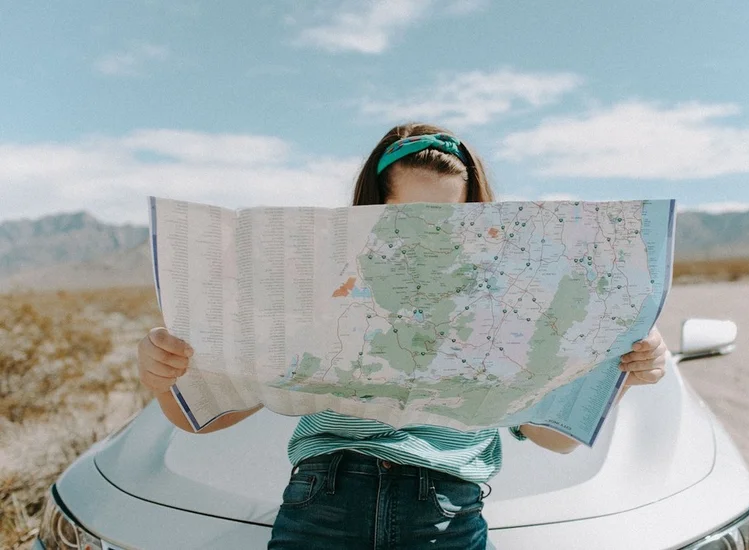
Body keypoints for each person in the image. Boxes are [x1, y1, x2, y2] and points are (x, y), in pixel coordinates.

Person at [137, 122, 669, 549]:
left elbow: (553, 438)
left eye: (446, 219)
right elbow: (203, 418)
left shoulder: (511, 297)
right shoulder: (318, 282)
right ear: (371, 211)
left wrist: (618, 373)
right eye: (406, 216)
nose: (425, 234)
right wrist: (166, 376)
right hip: (324, 499)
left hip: (446, 512)